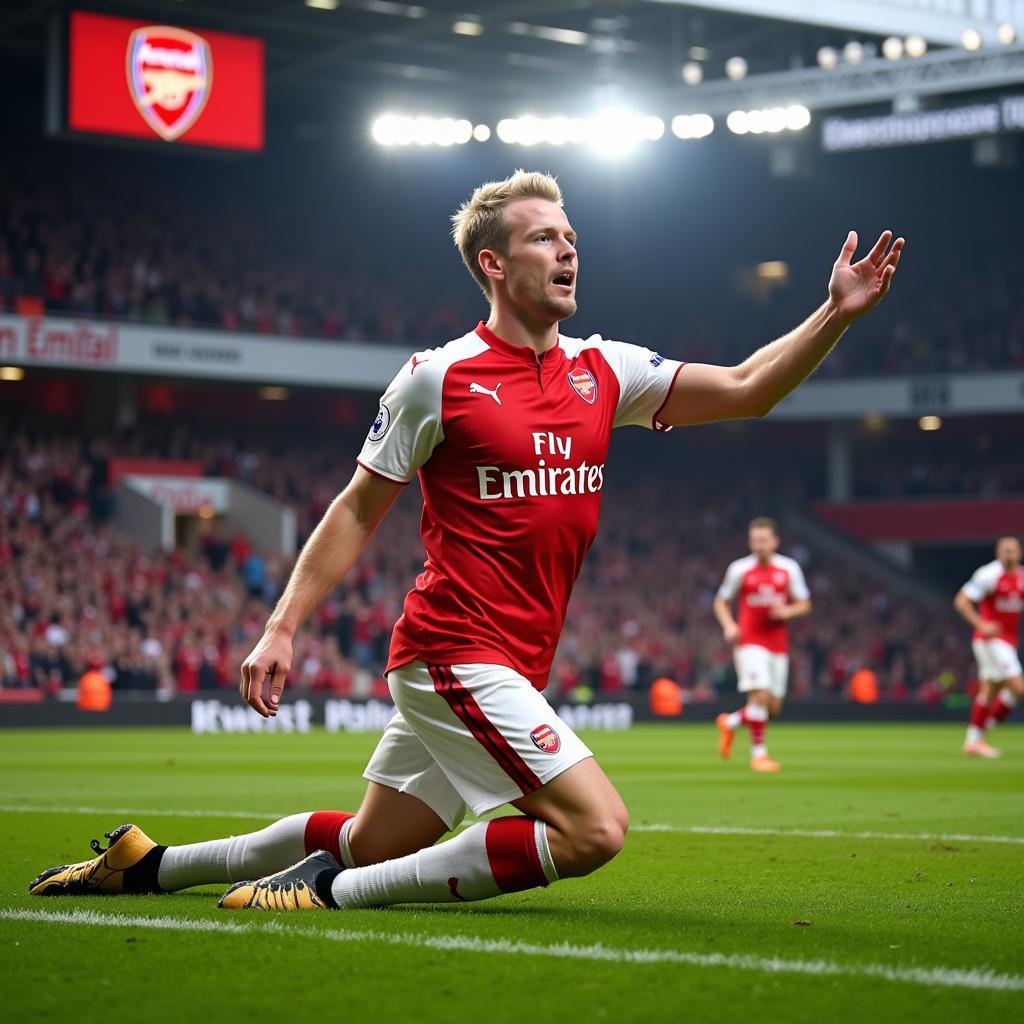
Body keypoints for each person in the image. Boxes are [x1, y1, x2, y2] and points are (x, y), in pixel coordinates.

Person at [30, 170, 903, 910]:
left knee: (375, 839)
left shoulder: (607, 371)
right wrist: (283, 624)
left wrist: (833, 315)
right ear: (493, 262)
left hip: (515, 661)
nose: (568, 250)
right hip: (453, 650)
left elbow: (750, 387)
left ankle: (147, 866)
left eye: (571, 235)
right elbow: (356, 508)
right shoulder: (436, 379)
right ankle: (328, 893)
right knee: (595, 829)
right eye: (543, 239)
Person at [712, 518, 812, 772]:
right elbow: (721, 601)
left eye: (764, 540)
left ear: (775, 541)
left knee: (772, 708)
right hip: (750, 641)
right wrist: (729, 625)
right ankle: (759, 756)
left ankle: (731, 722)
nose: (759, 545)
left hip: (778, 644)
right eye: (755, 540)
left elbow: (805, 604)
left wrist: (789, 611)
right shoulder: (739, 569)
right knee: (760, 697)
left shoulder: (789, 568)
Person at [955, 535, 1024, 759]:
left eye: (1012, 550)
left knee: (992, 690)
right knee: (1018, 688)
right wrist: (981, 624)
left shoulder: (1022, 577)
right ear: (997, 553)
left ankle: (974, 740)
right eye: (1004, 550)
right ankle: (981, 733)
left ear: (1019, 553)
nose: (1008, 554)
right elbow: (961, 601)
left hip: (1009, 642)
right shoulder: (989, 575)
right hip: (991, 641)